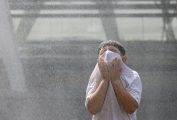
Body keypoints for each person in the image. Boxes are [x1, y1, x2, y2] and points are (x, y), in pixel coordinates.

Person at [85, 40, 142, 120]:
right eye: (103, 52)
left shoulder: (132, 76)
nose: (107, 53)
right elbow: (92, 108)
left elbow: (131, 108)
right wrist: (105, 80)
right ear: (98, 60)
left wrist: (115, 80)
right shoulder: (94, 77)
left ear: (124, 59)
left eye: (113, 51)